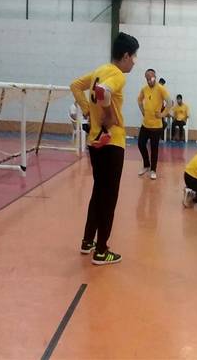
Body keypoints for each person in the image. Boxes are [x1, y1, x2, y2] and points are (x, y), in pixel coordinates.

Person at [70, 32, 139, 266]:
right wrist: (109, 114)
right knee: (109, 197)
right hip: (111, 142)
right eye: (134, 57)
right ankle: (101, 251)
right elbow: (103, 91)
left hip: (95, 142)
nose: (134, 62)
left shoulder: (99, 70)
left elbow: (75, 86)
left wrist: (87, 111)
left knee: (99, 192)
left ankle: (87, 241)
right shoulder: (117, 75)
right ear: (126, 55)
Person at [137, 69, 171, 180]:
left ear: (155, 77)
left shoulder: (161, 89)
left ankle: (153, 170)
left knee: (154, 148)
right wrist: (142, 111)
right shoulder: (144, 89)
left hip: (156, 126)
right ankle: (146, 165)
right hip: (146, 124)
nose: (149, 81)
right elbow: (139, 100)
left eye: (151, 78)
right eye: (147, 79)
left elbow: (169, 102)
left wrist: (162, 114)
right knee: (141, 144)